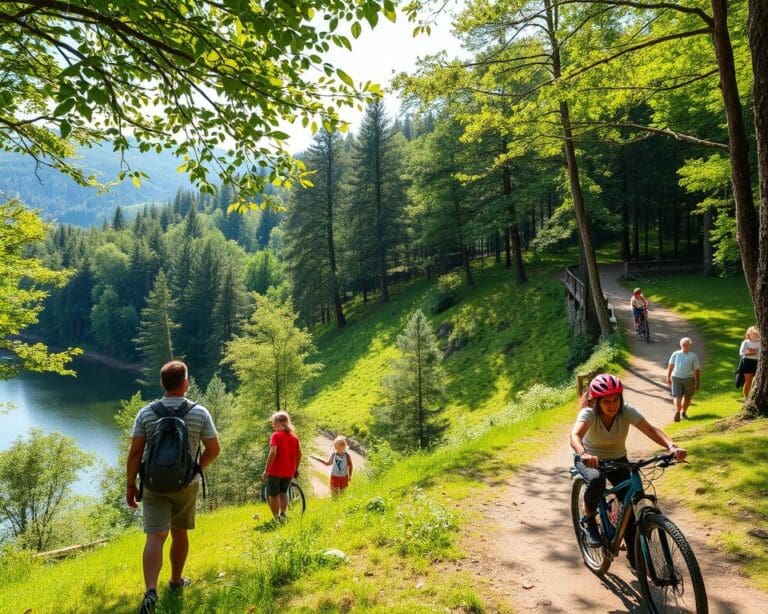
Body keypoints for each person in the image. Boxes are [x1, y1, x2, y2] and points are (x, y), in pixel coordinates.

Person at [126, 361, 220, 614]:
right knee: (180, 533)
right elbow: (214, 449)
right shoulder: (199, 412)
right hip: (186, 484)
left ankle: (150, 591)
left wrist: (130, 485)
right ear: (186, 383)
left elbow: (135, 452)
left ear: (162, 384)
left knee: (155, 536)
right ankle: (176, 581)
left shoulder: (146, 413)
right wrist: (196, 468)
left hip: (153, 484)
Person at [570, 374, 686, 567]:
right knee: (597, 480)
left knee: (631, 504)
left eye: (615, 399)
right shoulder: (589, 414)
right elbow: (575, 435)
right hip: (590, 459)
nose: (612, 405)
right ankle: (590, 519)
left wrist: (671, 447)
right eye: (606, 401)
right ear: (596, 402)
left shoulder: (626, 411)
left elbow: (650, 429)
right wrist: (583, 454)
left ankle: (635, 557)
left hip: (618, 460)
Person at [262, 411, 302, 524]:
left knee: (273, 495)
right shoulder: (294, 437)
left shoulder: (276, 435)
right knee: (283, 492)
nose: (272, 425)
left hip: (275, 471)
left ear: (279, 423)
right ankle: (283, 514)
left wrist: (266, 470)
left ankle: (276, 518)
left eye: (273, 423)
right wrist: (296, 468)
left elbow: (273, 452)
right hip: (289, 471)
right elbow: (300, 454)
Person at [666, 337, 701, 421]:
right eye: (684, 345)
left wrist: (668, 376)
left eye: (686, 345)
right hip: (686, 378)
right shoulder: (692, 356)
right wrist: (697, 382)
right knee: (686, 397)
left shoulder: (676, 354)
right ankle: (682, 412)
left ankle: (678, 411)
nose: (685, 347)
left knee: (678, 396)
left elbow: (671, 366)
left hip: (678, 377)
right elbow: (697, 370)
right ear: (681, 345)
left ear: (690, 345)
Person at [738, 325, 761, 399]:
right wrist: (750, 352)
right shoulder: (746, 342)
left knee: (757, 379)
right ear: (749, 334)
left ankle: (754, 395)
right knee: (748, 380)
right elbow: (741, 353)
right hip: (747, 362)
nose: (754, 335)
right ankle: (746, 397)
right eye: (753, 334)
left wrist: (754, 352)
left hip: (758, 362)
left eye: (756, 334)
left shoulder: (761, 342)